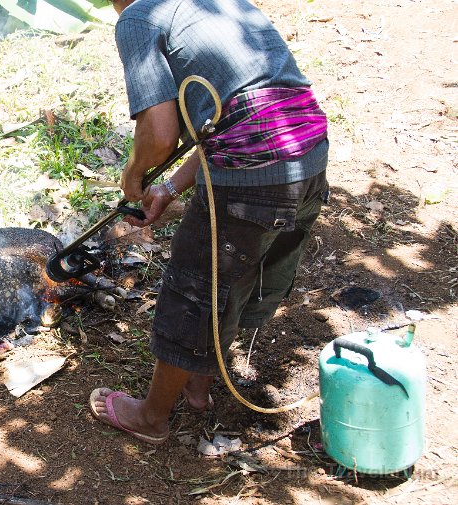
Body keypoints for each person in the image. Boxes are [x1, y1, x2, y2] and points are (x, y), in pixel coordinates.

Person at [89, 0, 330, 445]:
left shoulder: (138, 18)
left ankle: (151, 418)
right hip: (309, 157)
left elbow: (161, 134)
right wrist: (172, 188)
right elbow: (232, 113)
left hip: (252, 177)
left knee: (195, 288)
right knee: (237, 275)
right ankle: (199, 381)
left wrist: (134, 175)